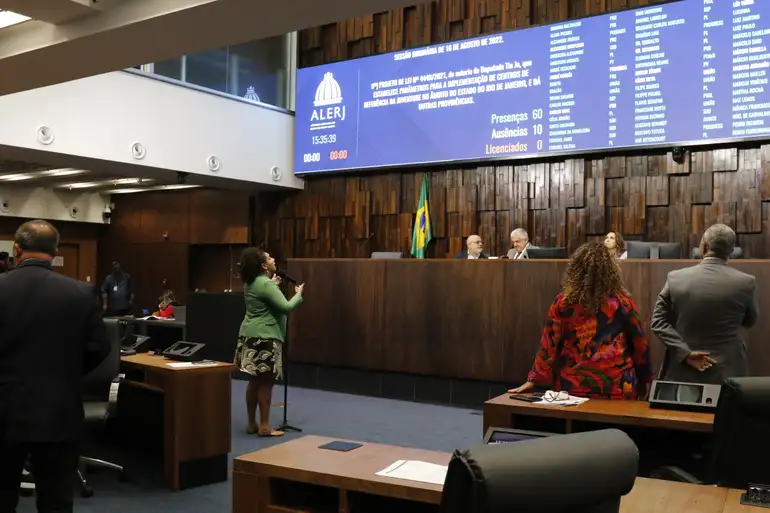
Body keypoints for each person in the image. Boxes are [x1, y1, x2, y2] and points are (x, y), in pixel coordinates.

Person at [0, 220, 110, 512]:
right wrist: (66, 372)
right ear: (55, 251)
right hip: (58, 412)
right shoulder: (82, 293)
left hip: (4, 411)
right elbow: (100, 348)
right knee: (56, 501)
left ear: (17, 249)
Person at [509, 241, 653, 399]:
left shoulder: (563, 302)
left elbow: (549, 344)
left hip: (573, 387)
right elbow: (640, 344)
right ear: (611, 271)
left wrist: (533, 379)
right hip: (616, 386)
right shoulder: (623, 303)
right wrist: (646, 379)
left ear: (576, 270)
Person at [651, 224, 757, 386]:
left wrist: (685, 353)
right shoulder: (747, 282)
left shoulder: (675, 278)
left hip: (684, 372)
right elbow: (750, 321)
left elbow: (658, 322)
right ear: (731, 250)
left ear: (704, 246)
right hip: (728, 372)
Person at [234, 248, 304, 437]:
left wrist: (272, 285)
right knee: (266, 383)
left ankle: (251, 423)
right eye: (270, 258)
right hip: (265, 337)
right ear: (264, 266)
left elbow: (262, 295)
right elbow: (286, 307)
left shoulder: (251, 282)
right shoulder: (266, 284)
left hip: (249, 335)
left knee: (254, 381)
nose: (274, 259)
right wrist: (298, 295)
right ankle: (265, 426)